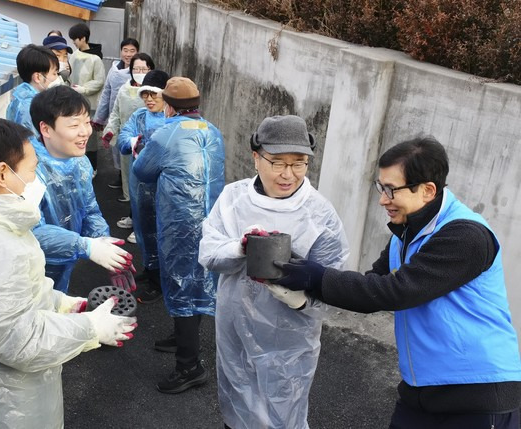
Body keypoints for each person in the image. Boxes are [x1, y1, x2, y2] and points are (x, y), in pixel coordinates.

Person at [275, 137, 521, 428]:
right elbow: (371, 286)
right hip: (421, 390)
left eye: (391, 190)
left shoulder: (466, 236)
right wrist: (304, 281)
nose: (382, 199)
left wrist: (317, 277)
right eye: (381, 187)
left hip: (477, 393)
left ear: (428, 190)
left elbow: (396, 291)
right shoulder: (405, 234)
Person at [0, 118, 136, 429]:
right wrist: (89, 328)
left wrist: (63, 304)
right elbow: (17, 341)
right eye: (32, 170)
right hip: (4, 404)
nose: (35, 180)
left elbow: (5, 297)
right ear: (3, 173)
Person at [198, 115, 350, 429]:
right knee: (238, 405)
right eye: (277, 162)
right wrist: (239, 248)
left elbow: (334, 280)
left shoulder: (319, 213)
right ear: (256, 158)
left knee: (284, 412)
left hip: (290, 340)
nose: (288, 174)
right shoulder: (234, 199)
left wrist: (301, 300)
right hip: (235, 328)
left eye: (299, 163)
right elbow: (209, 253)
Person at [133, 77, 225, 394]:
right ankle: (181, 335)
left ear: (169, 106)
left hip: (180, 223)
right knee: (196, 280)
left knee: (181, 282)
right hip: (212, 220)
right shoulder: (213, 131)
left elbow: (142, 172)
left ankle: (189, 367)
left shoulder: (165, 133)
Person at [29, 85, 134, 294]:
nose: (85, 131)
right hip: (30, 273)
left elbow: (89, 209)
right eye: (74, 124)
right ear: (46, 129)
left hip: (65, 264)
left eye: (86, 122)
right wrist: (86, 247)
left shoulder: (80, 162)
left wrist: (105, 244)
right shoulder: (28, 169)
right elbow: (30, 232)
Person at [117, 70, 169, 303]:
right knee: (143, 230)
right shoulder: (138, 116)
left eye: (153, 94)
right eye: (145, 94)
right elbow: (122, 139)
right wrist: (133, 141)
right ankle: (150, 270)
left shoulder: (174, 118)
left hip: (164, 186)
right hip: (140, 185)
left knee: (161, 232)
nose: (148, 99)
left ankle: (160, 282)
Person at [103, 53, 155, 204]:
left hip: (149, 144)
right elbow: (115, 113)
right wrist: (110, 131)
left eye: (143, 69)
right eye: (136, 69)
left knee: (147, 183)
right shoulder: (124, 90)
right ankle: (132, 213)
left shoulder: (156, 92)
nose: (139, 73)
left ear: (150, 69)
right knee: (128, 178)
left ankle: (143, 219)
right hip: (127, 142)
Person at [92, 38, 140, 190]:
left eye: (132, 51)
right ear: (120, 52)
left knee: (133, 148)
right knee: (116, 147)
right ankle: (121, 176)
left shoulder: (139, 71)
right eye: (125, 50)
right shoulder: (114, 70)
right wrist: (100, 117)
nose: (128, 54)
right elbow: (106, 93)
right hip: (116, 115)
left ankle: (131, 182)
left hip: (134, 117)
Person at [68, 23, 105, 175]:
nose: (73, 42)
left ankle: (93, 167)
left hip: (90, 103)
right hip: (74, 102)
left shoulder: (96, 59)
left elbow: (99, 81)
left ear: (83, 38)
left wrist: (83, 89)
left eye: (75, 39)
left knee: (89, 138)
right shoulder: (75, 55)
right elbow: (69, 75)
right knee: (75, 134)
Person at [6, 44, 59, 137]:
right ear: (38, 77)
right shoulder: (30, 107)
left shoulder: (21, 96)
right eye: (54, 73)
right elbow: (32, 144)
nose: (57, 78)